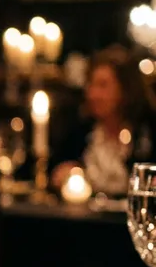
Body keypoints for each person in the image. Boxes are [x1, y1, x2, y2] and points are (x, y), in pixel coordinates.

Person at [51, 47, 156, 196]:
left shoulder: (148, 131)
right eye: (91, 84)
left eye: (103, 85)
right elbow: (55, 170)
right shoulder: (80, 131)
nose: (93, 94)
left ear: (125, 90)